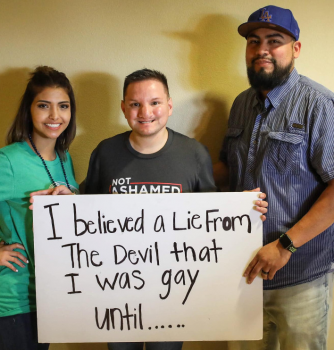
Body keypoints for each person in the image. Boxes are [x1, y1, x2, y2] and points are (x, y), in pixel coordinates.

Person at [32, 68, 267, 349]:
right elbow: (86, 212)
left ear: (168, 105)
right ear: (124, 108)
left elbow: (210, 221)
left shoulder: (194, 154)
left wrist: (241, 210)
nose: (145, 112)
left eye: (155, 102)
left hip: (173, 295)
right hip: (116, 294)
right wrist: (65, 199)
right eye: (135, 104)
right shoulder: (105, 152)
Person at [216, 5, 334, 350]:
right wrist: (176, 175)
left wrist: (285, 247)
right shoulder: (240, 104)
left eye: (274, 41)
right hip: (242, 275)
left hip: (300, 277)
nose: (262, 50)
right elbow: (228, 169)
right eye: (254, 42)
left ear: (295, 49)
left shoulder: (319, 105)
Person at [0, 66, 78, 350]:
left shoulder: (64, 158)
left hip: (48, 298)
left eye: (63, 106)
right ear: (29, 109)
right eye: (43, 106)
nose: (54, 116)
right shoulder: (7, 162)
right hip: (12, 302)